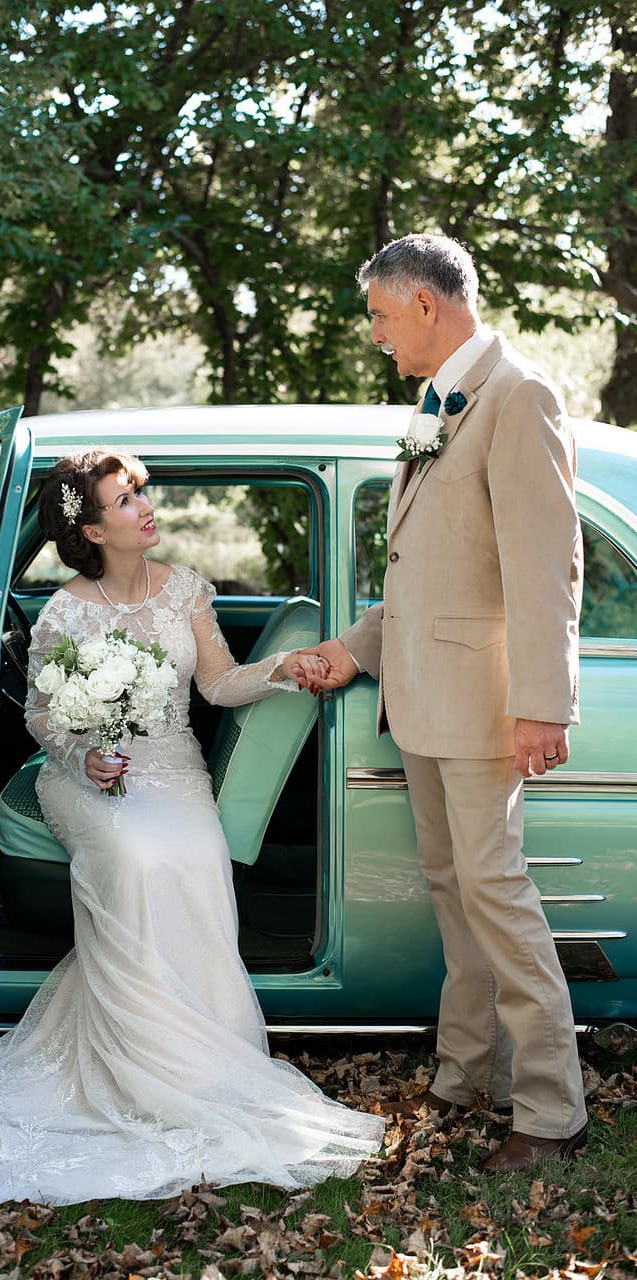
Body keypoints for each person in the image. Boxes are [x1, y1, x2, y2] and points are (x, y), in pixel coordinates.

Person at [0, 447, 383, 1206]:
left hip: (175, 769)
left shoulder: (189, 591)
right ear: (95, 531)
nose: (145, 505)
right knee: (133, 856)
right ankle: (139, 1063)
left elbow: (217, 683)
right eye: (125, 500)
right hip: (86, 779)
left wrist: (282, 669)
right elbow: (39, 717)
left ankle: (201, 1065)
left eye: (139, 492)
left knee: (196, 854)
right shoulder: (64, 609)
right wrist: (84, 754)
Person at [298, 233, 588, 1172]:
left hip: (484, 703)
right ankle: (467, 1076)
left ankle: (548, 1111)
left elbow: (548, 569)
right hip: (420, 698)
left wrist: (545, 705)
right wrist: (354, 649)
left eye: (381, 316)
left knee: (498, 897)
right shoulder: (436, 403)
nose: (377, 335)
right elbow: (424, 571)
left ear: (426, 305)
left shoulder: (519, 395)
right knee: (452, 895)